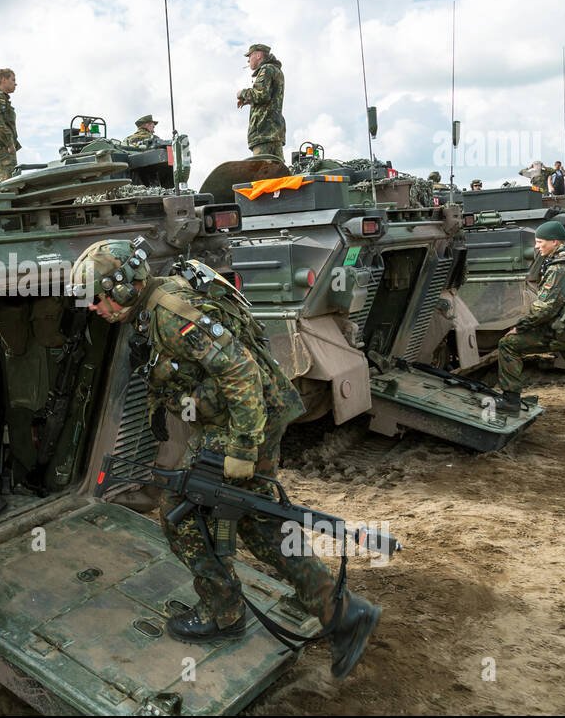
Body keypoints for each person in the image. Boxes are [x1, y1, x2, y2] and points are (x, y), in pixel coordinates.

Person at [67, 239, 382, 677]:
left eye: (97, 297)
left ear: (123, 286)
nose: (93, 308)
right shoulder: (151, 308)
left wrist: (241, 450)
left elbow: (240, 373)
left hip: (244, 422)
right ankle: (339, 609)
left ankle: (224, 613)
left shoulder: (170, 311)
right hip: (247, 417)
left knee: (181, 515)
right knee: (257, 523)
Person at [496, 220, 565, 456]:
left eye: (540, 242)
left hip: (562, 333)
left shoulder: (559, 267)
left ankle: (511, 401)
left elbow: (545, 308)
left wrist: (521, 327)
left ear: (555, 242)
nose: (537, 247)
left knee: (508, 345)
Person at [236, 43, 286, 163]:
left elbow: (261, 94)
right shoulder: (276, 71)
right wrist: (248, 100)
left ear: (258, 55)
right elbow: (269, 97)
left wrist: (242, 93)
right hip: (275, 133)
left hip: (264, 131)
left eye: (250, 56)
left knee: (262, 174)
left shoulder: (266, 69)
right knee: (278, 174)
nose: (248, 61)